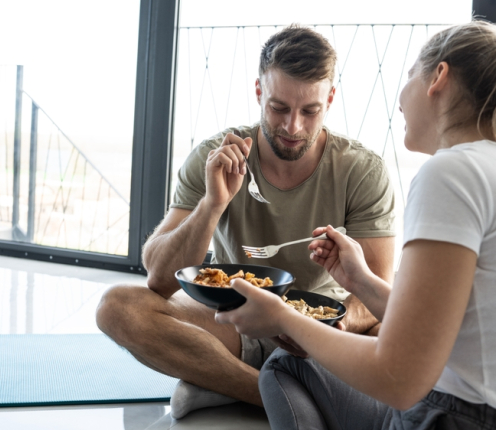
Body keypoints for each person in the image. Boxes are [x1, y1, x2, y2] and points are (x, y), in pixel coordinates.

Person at [216, 21, 496, 430]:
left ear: (438, 77)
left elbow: (399, 379)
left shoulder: (454, 173)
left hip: (457, 419)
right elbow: (445, 328)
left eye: (409, 76)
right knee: (288, 365)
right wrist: (361, 281)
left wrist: (281, 317)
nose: (400, 99)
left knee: (285, 366)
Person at [95, 25, 397, 420]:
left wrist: (332, 329)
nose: (293, 127)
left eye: (310, 111)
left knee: (397, 342)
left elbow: (374, 296)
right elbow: (160, 278)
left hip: (323, 329)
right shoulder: (215, 154)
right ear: (259, 92)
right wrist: (212, 204)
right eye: (278, 108)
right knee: (117, 307)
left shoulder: (361, 170)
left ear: (331, 98)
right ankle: (266, 393)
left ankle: (218, 383)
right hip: (239, 319)